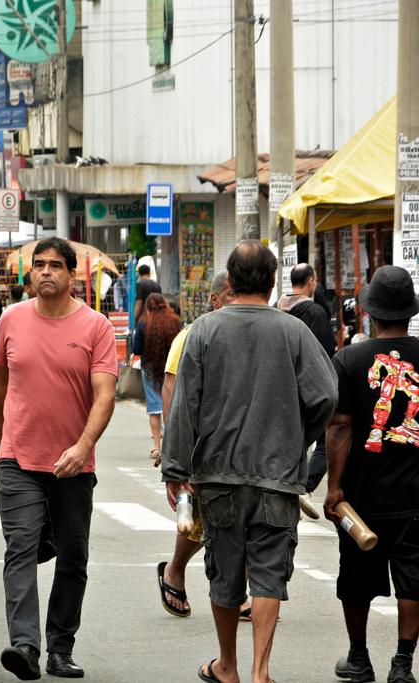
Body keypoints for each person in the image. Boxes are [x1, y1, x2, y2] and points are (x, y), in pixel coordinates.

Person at [162, 241, 338, 683]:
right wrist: (297, 439)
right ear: (273, 281)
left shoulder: (204, 331)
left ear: (231, 279)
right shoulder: (294, 331)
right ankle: (261, 671)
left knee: (225, 571)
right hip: (277, 476)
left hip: (217, 473)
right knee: (269, 572)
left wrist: (175, 469)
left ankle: (228, 666)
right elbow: (326, 396)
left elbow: (184, 405)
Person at [0, 237, 118, 680]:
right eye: (39, 265)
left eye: (55, 266)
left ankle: (60, 649)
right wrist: (1, 440)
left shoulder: (95, 327)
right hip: (18, 460)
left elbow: (105, 395)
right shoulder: (10, 319)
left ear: (71, 275)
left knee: (73, 557)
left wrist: (82, 446)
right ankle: (24, 644)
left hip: (74, 464)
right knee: (20, 550)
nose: (45, 272)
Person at [323, 265, 419, 683]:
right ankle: (403, 664)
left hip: (361, 493)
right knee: (414, 578)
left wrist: (334, 486)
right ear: (410, 312)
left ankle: (359, 658)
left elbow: (340, 426)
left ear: (370, 313)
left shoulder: (349, 359)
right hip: (416, 493)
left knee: (357, 576)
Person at [155, 272, 233, 619]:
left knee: (243, 520)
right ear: (214, 299)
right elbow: (171, 389)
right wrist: (175, 450)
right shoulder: (191, 335)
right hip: (201, 446)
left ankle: (238, 591)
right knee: (198, 522)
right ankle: (174, 569)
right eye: (228, 295)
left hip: (239, 444)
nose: (234, 301)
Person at [277, 263, 338, 519]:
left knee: (288, 438)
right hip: (310, 385)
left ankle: (289, 487)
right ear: (311, 280)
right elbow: (326, 353)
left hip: (281, 386)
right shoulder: (314, 311)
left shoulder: (276, 310)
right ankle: (304, 487)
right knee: (325, 441)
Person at [131, 293, 183, 462]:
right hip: (172, 367)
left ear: (148, 307)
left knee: (154, 408)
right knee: (173, 405)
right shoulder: (175, 321)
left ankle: (156, 447)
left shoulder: (143, 323)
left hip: (150, 368)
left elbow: (137, 349)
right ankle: (173, 446)